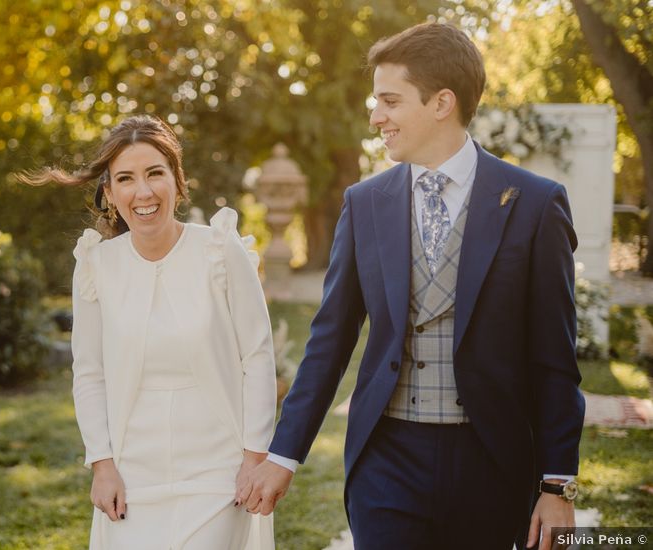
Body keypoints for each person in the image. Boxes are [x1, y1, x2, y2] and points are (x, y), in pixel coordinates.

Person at [240, 22, 585, 550]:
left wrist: (557, 484)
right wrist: (284, 455)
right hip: (387, 457)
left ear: (442, 102)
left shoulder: (534, 204)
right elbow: (330, 339)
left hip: (491, 463)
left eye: (390, 101)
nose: (376, 116)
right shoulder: (365, 202)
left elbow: (555, 358)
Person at [23, 115, 277, 550]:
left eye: (155, 173)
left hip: (218, 470)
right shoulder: (96, 267)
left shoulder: (220, 251)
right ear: (110, 193)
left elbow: (258, 356)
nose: (143, 191)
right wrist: (102, 466)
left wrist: (254, 460)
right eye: (126, 178)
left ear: (177, 181)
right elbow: (89, 374)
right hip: (132, 473)